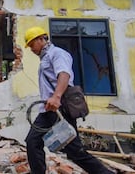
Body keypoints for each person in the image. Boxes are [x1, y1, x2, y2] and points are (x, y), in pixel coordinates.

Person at [24, 26, 113, 174]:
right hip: (48, 110)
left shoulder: (57, 54)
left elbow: (64, 74)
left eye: (31, 44)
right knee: (33, 142)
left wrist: (56, 97)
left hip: (60, 109)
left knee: (74, 152)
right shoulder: (45, 58)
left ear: (41, 39)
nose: (31, 49)